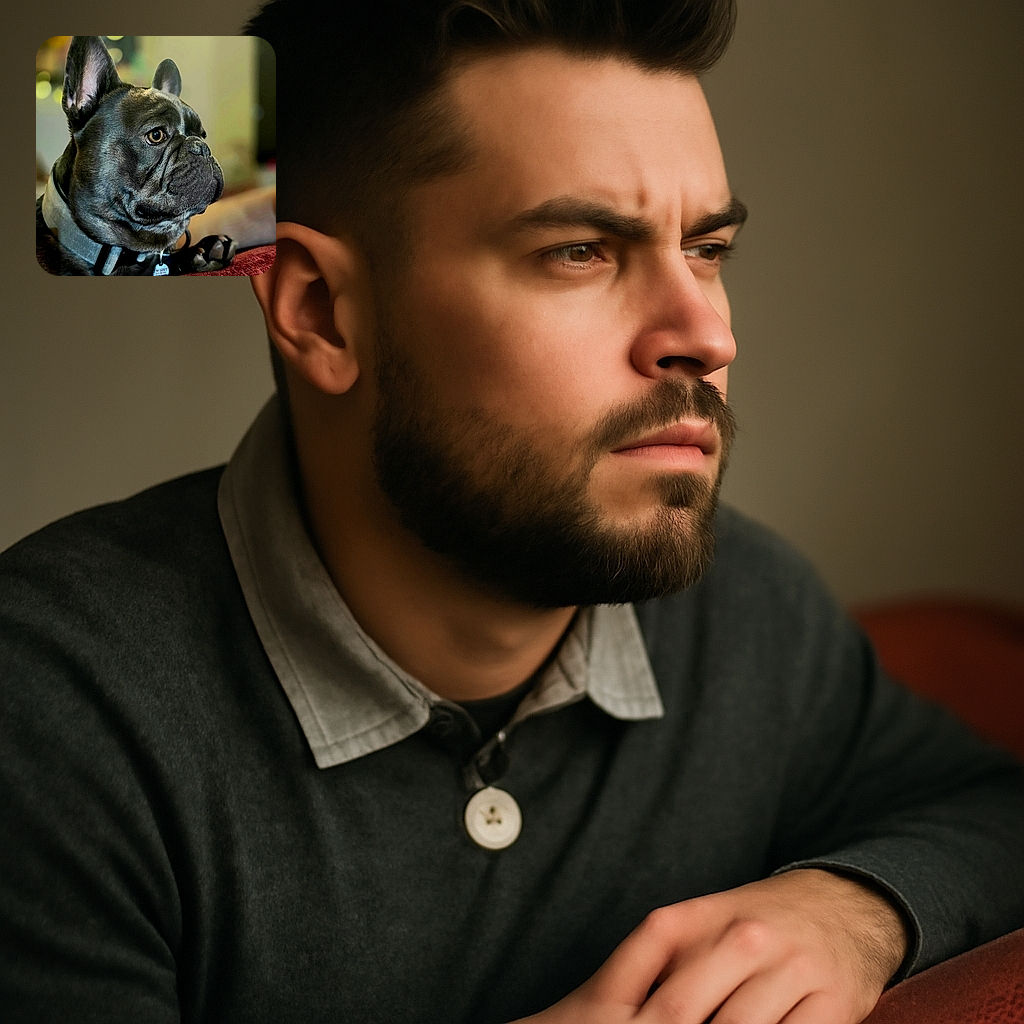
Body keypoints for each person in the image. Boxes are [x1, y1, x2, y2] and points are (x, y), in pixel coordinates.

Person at [1, 1, 1022, 1021]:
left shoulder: (751, 617)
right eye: (580, 250)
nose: (706, 334)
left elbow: (993, 811)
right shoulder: (53, 710)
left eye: (707, 249)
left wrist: (856, 908)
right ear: (318, 310)